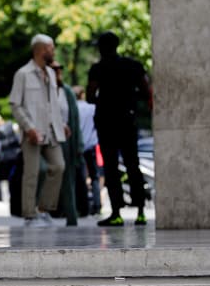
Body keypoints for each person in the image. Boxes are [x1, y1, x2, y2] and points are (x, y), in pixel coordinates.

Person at [86, 31, 152, 226]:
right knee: (133, 164)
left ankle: (116, 212)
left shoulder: (98, 69)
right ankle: (140, 211)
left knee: (111, 167)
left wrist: (105, 101)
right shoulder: (133, 66)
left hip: (107, 123)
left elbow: (90, 95)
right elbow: (145, 90)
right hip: (127, 120)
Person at [9, 34, 67, 228]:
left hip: (51, 131)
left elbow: (53, 104)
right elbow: (15, 104)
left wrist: (62, 124)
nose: (53, 51)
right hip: (32, 132)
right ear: (41, 50)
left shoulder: (50, 74)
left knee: (58, 166)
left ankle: (44, 209)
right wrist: (29, 128)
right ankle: (29, 215)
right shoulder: (23, 74)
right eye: (51, 48)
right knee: (32, 173)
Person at [49, 61, 81, 226]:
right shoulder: (45, 91)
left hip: (67, 140)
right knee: (50, 175)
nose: (57, 72)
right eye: (53, 69)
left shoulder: (67, 91)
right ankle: (46, 212)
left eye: (59, 69)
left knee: (68, 178)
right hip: (49, 139)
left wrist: (78, 145)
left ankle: (71, 215)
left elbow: (74, 118)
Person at [73, 86, 101, 216]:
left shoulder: (72, 109)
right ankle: (97, 204)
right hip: (90, 145)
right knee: (94, 176)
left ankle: (82, 205)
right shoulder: (92, 109)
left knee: (80, 176)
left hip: (77, 146)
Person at [0, 114, 21, 202]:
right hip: (14, 157)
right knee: (11, 179)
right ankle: (12, 197)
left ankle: (0, 198)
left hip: (3, 159)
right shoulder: (10, 127)